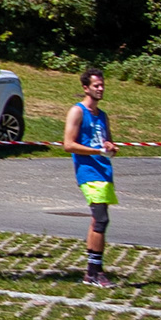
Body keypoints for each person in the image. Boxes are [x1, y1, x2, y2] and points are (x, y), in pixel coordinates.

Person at [64, 67, 116, 288]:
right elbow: (68, 144)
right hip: (89, 171)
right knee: (101, 219)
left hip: (104, 171)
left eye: (102, 85)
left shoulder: (102, 115)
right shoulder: (77, 112)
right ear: (86, 88)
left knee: (97, 220)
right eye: (96, 85)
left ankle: (91, 271)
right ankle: (96, 271)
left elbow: (107, 142)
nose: (101, 89)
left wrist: (109, 147)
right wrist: (96, 151)